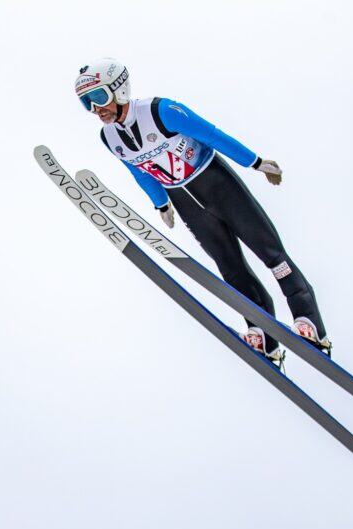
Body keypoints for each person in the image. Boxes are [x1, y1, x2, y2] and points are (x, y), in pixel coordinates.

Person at [75, 58, 332, 359]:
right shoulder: (109, 137)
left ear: (119, 91)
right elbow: (138, 171)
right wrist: (161, 203)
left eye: (99, 98)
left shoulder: (161, 111)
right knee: (230, 268)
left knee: (271, 254)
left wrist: (256, 162)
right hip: (186, 203)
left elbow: (211, 135)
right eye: (86, 103)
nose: (96, 109)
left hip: (217, 185)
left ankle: (308, 322)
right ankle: (262, 334)